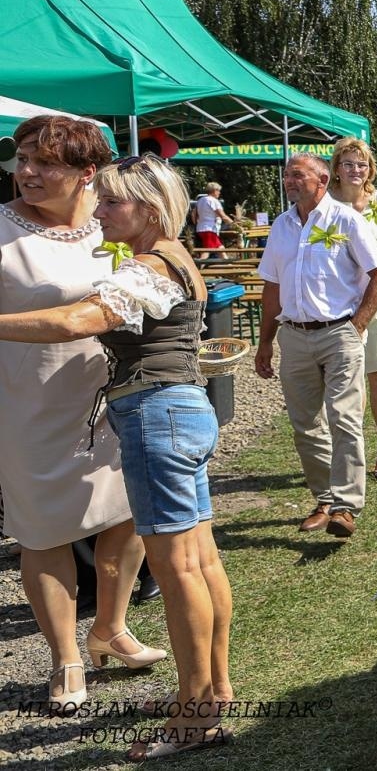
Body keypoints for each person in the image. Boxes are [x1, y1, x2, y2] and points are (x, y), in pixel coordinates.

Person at [0, 152, 235, 759]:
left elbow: (79, 320)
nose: (98, 211)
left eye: (111, 202)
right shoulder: (172, 256)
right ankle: (211, 697)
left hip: (159, 416)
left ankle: (192, 717)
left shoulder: (150, 268)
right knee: (201, 561)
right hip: (179, 411)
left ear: (149, 211)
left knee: (181, 570)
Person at [0, 116, 163, 718]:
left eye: (45, 163)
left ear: (86, 172)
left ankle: (111, 628)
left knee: (127, 516)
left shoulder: (117, 218)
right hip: (28, 405)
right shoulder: (1, 232)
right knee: (44, 533)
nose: (27, 172)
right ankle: (65, 656)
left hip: (117, 397)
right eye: (21, 159)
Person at [255, 152, 377, 539]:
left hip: (338, 334)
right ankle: (325, 499)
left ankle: (346, 507)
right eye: (286, 175)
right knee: (305, 425)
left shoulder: (346, 219)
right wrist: (265, 341)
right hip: (294, 335)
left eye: (297, 174)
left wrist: (358, 325)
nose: (288, 181)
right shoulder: (281, 225)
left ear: (321, 179)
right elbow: (273, 286)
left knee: (344, 418)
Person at [327, 137, 377, 480]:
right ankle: (346, 454)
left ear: (370, 169)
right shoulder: (324, 205)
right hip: (339, 303)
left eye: (362, 164)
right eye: (348, 163)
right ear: (336, 169)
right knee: (343, 380)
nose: (355, 170)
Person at [189, 182, 235, 260]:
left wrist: (198, 223)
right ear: (214, 191)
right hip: (209, 229)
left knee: (220, 248)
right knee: (207, 251)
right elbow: (223, 216)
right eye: (218, 191)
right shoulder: (214, 201)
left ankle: (228, 264)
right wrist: (235, 224)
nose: (219, 193)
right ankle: (199, 266)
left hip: (201, 228)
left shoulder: (200, 200)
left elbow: (193, 215)